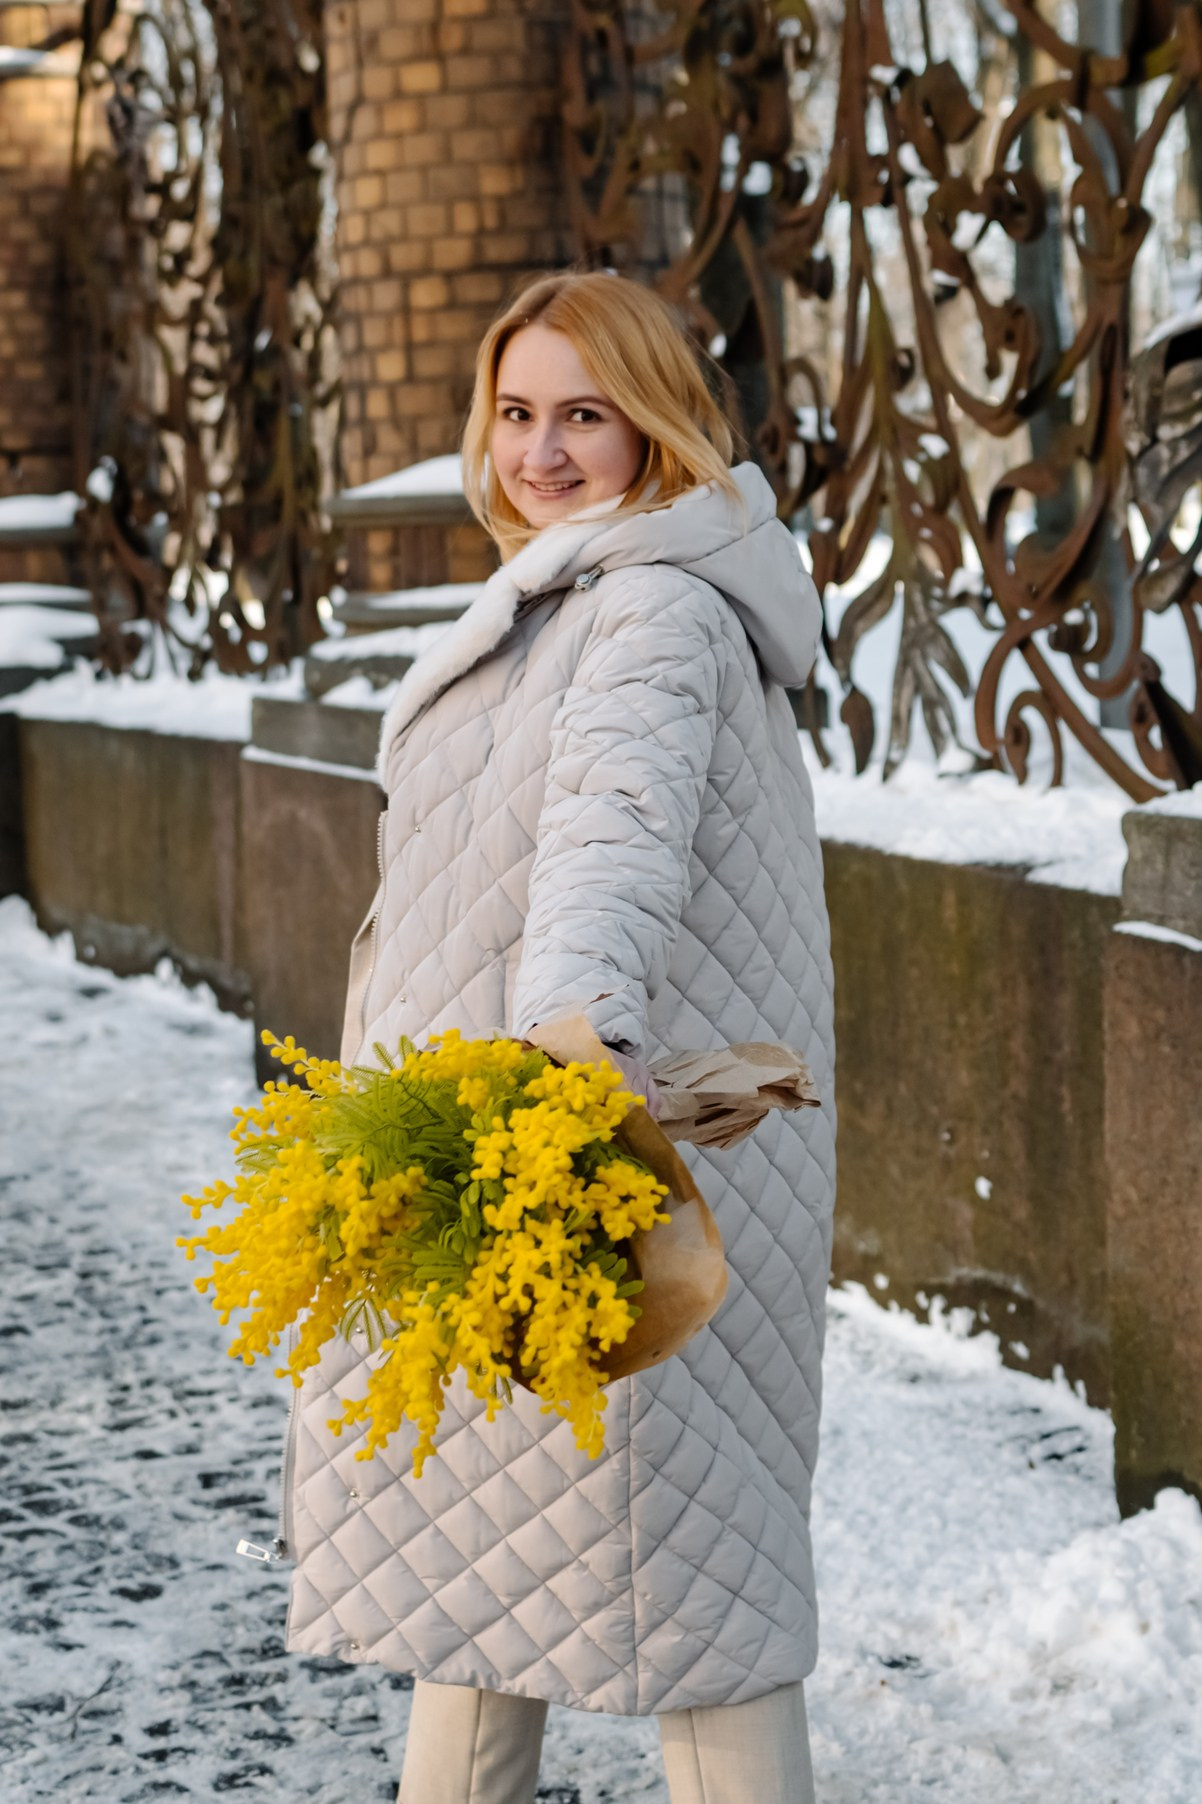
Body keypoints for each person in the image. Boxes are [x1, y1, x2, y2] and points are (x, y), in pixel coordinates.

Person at [281, 270, 836, 1804]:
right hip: (510, 1146)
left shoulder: (650, 605)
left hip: (592, 1140)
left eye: (582, 414)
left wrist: (563, 1071)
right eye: (516, 412)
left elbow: (613, 836)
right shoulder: (584, 589)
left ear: (653, 421)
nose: (539, 450)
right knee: (497, 1572)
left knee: (694, 1591)